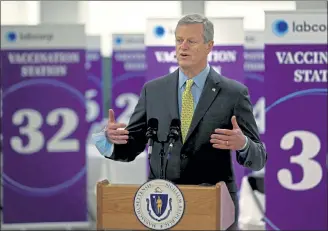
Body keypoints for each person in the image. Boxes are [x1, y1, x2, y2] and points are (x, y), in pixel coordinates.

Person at [93, 13, 267, 230]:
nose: (182, 46)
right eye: (178, 40)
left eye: (191, 41)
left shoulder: (233, 93)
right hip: (161, 206)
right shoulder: (153, 90)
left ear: (209, 46)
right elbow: (131, 147)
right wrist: (111, 140)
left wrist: (243, 144)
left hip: (214, 207)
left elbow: (259, 158)